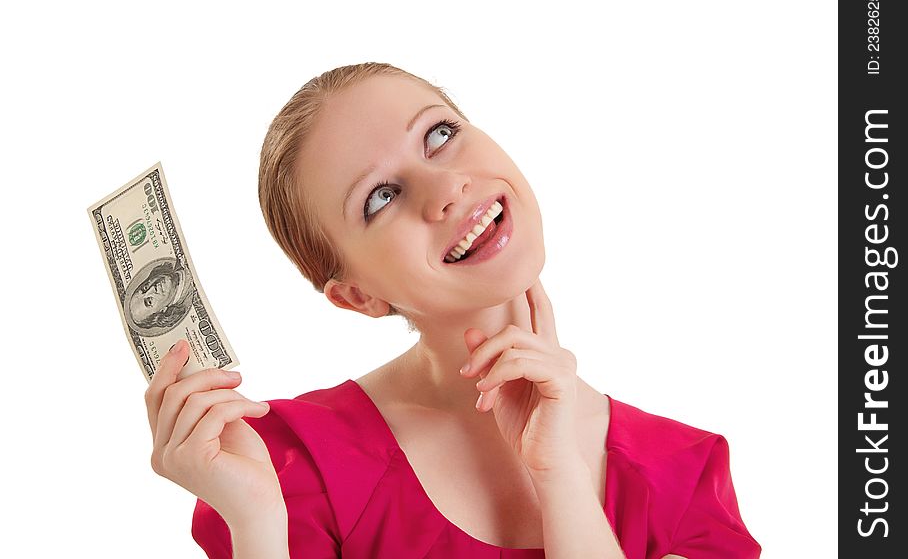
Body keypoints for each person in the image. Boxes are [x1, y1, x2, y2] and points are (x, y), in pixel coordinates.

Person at [144, 62, 762, 558]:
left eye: (440, 135)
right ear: (357, 295)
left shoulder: (682, 477)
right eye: (381, 197)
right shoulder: (288, 468)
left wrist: (560, 476)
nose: (446, 190)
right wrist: (255, 525)